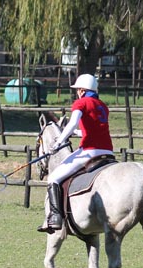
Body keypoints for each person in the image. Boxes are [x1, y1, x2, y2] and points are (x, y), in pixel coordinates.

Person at [38, 73, 114, 233]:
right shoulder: (102, 106)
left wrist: (58, 142)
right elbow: (94, 129)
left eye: (78, 89)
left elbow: (72, 124)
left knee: (53, 178)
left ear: (82, 90)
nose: (77, 92)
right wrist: (77, 133)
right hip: (108, 151)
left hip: (90, 151)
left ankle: (55, 217)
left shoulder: (81, 103)